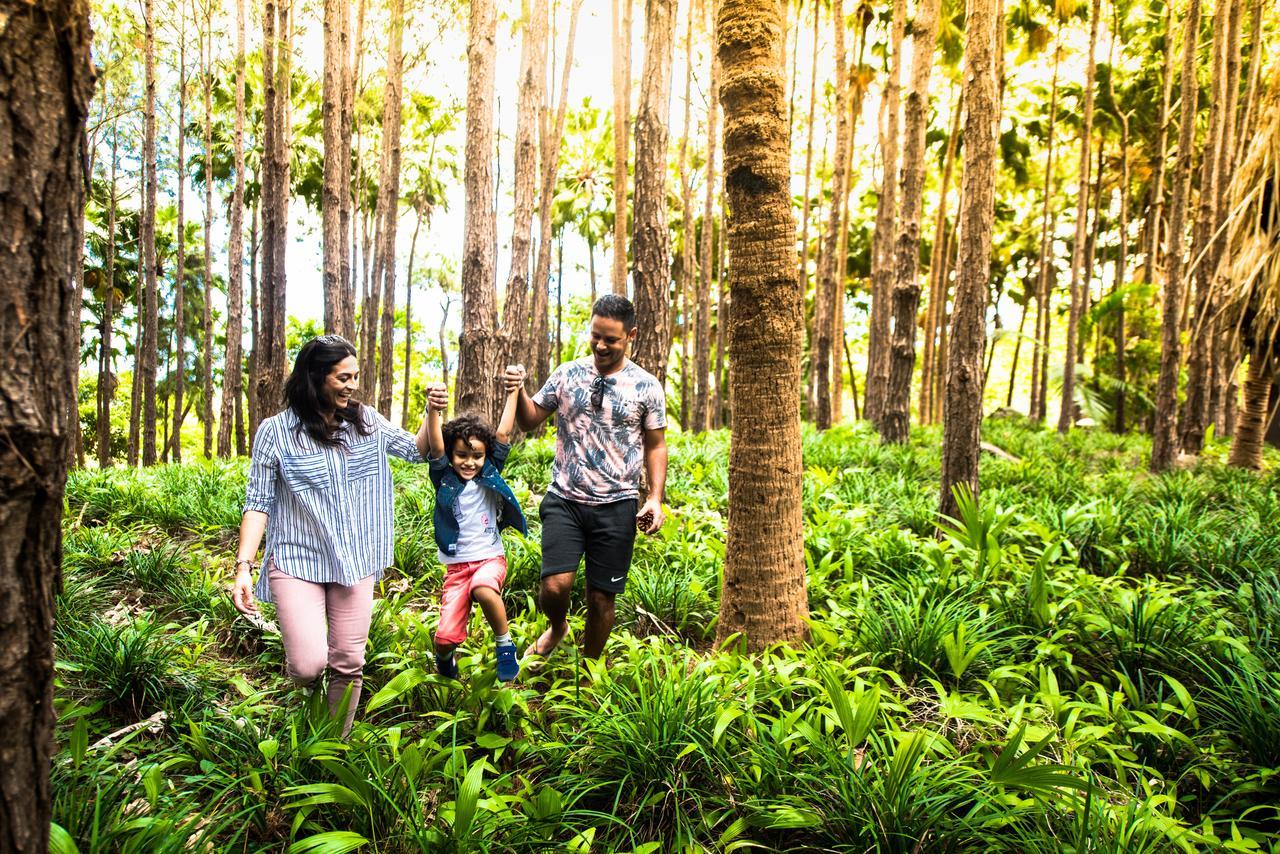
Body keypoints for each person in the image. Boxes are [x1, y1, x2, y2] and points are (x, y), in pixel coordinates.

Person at [231, 335, 431, 735]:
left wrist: (432, 412)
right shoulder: (275, 432)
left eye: (354, 376)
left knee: (348, 662)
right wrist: (243, 567)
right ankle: (309, 701)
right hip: (297, 559)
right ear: (316, 377)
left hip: (355, 557)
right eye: (342, 377)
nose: (351, 385)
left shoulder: (365, 421)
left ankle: (333, 743)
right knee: (308, 665)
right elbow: (258, 502)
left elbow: (417, 450)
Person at [511, 294, 668, 665]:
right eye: (595, 335)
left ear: (631, 335)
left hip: (617, 504)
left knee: (601, 599)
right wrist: (517, 390)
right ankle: (558, 627)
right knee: (554, 586)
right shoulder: (567, 374)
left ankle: (591, 667)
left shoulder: (646, 386)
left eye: (611, 339)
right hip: (565, 497)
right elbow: (530, 419)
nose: (600, 345)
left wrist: (655, 497)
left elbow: (656, 445)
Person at [424, 368, 529, 682]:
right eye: (462, 455)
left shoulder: (489, 471)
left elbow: (503, 434)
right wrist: (433, 410)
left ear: (486, 457)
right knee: (443, 640)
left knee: (483, 589)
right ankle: (446, 663)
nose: (469, 462)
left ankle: (504, 645)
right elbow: (436, 447)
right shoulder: (444, 477)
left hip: (489, 558)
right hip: (456, 567)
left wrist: (513, 392)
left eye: (477, 456)